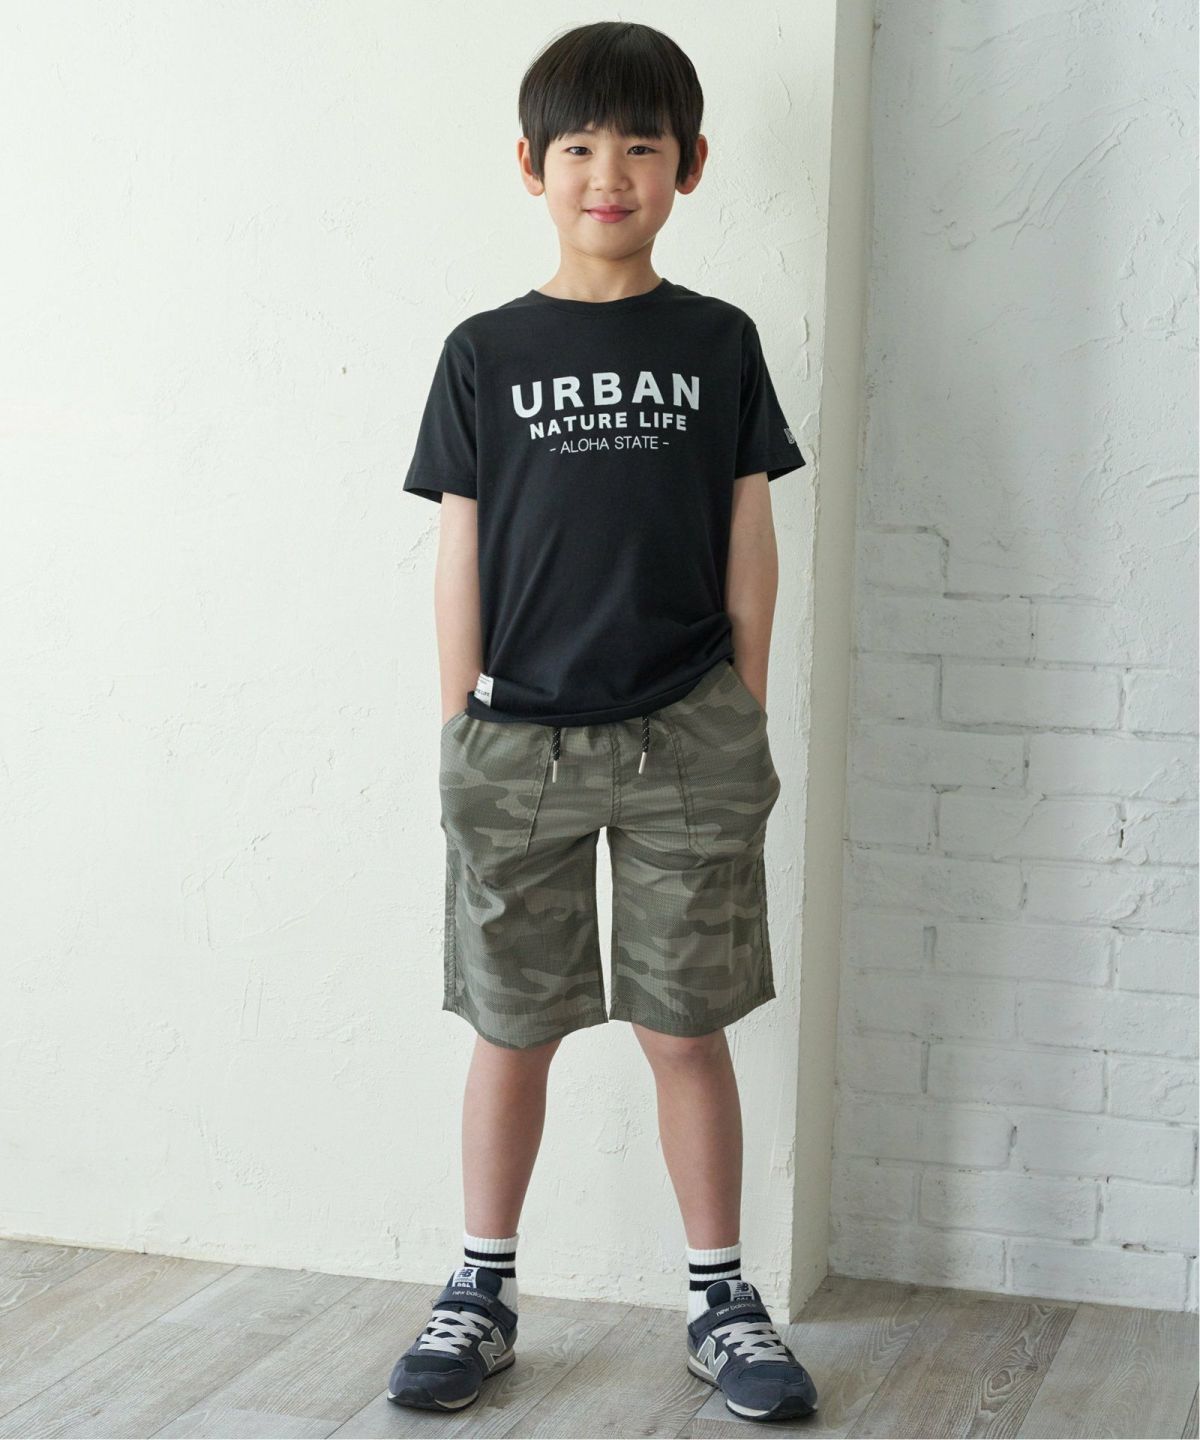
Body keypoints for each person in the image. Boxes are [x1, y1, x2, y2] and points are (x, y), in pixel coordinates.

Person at [387, 20, 818, 1425]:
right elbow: (460, 549)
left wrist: (743, 707)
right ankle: (479, 1289)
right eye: (578, 146)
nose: (609, 172)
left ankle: (721, 1300)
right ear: (531, 165)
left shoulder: (718, 342)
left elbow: (750, 532)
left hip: (688, 731)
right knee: (512, 1026)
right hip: (515, 743)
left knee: (686, 1028)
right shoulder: (485, 351)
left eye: (641, 144)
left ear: (690, 165)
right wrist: (460, 725)